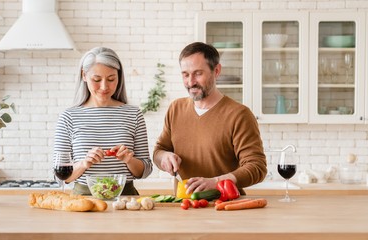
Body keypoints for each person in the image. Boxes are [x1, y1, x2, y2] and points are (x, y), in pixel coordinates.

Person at [153, 42, 267, 195]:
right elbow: (159, 151)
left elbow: (256, 167)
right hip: (184, 206)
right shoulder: (176, 108)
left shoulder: (239, 114)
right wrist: (164, 157)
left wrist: (217, 182)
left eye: (198, 73)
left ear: (217, 71)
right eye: (185, 74)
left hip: (227, 207)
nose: (191, 82)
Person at [54, 47, 153, 195]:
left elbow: (145, 171)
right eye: (97, 79)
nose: (104, 87)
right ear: (84, 75)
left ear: (119, 77)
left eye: (111, 79)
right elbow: (60, 177)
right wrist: (84, 164)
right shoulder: (69, 117)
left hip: (125, 200)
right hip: (83, 201)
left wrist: (129, 159)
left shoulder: (133, 114)